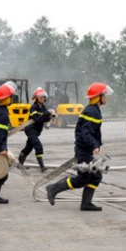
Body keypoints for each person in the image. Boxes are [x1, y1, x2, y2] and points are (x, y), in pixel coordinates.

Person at [46, 82, 113, 211]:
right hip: (84, 150)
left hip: (86, 150)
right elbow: (86, 132)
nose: (106, 98)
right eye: (104, 95)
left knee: (96, 176)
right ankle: (53, 188)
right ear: (98, 97)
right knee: (82, 179)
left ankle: (86, 203)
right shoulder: (92, 111)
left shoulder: (94, 110)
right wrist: (94, 145)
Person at [19, 87, 53, 172]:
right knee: (38, 146)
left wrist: (50, 116)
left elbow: (44, 119)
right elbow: (37, 120)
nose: (42, 98)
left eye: (43, 97)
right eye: (40, 97)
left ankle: (20, 164)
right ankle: (42, 167)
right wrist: (46, 114)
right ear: (36, 98)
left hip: (37, 131)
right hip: (31, 130)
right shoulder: (33, 107)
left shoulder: (43, 107)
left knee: (28, 147)